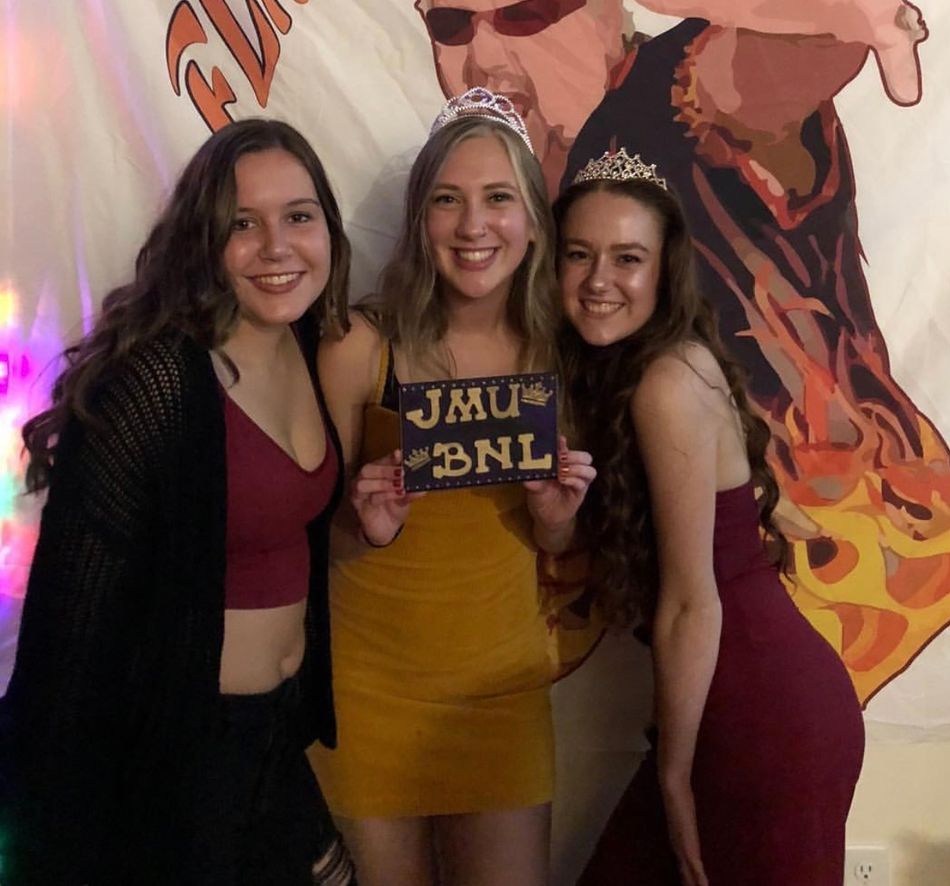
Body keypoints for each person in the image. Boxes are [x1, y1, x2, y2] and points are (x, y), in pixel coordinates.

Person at [395, 0, 950, 704]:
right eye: (453, 25)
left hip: (848, 596)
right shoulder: (497, 214)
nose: (481, 59)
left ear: (610, 10)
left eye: (526, 15)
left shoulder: (666, 99)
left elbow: (742, 80)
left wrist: (815, 26)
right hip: (642, 657)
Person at [0, 120, 356, 886]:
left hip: (275, 737)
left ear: (329, 227)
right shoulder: (155, 383)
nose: (277, 246)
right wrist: (53, 835)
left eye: (298, 216)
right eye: (242, 224)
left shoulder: (307, 345)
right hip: (179, 752)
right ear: (203, 240)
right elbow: (70, 630)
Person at [309, 88, 595, 886]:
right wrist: (365, 526)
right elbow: (313, 539)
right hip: (368, 696)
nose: (474, 226)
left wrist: (555, 517)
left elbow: (554, 540)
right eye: (447, 200)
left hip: (499, 695)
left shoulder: (558, 353)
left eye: (498, 198)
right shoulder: (359, 347)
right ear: (419, 220)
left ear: (533, 220)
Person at [555, 149, 865, 886]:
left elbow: (693, 602)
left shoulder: (666, 380)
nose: (598, 280)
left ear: (665, 272)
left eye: (628, 258)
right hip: (735, 710)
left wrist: (673, 778)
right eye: (578, 254)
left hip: (761, 721)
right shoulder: (640, 368)